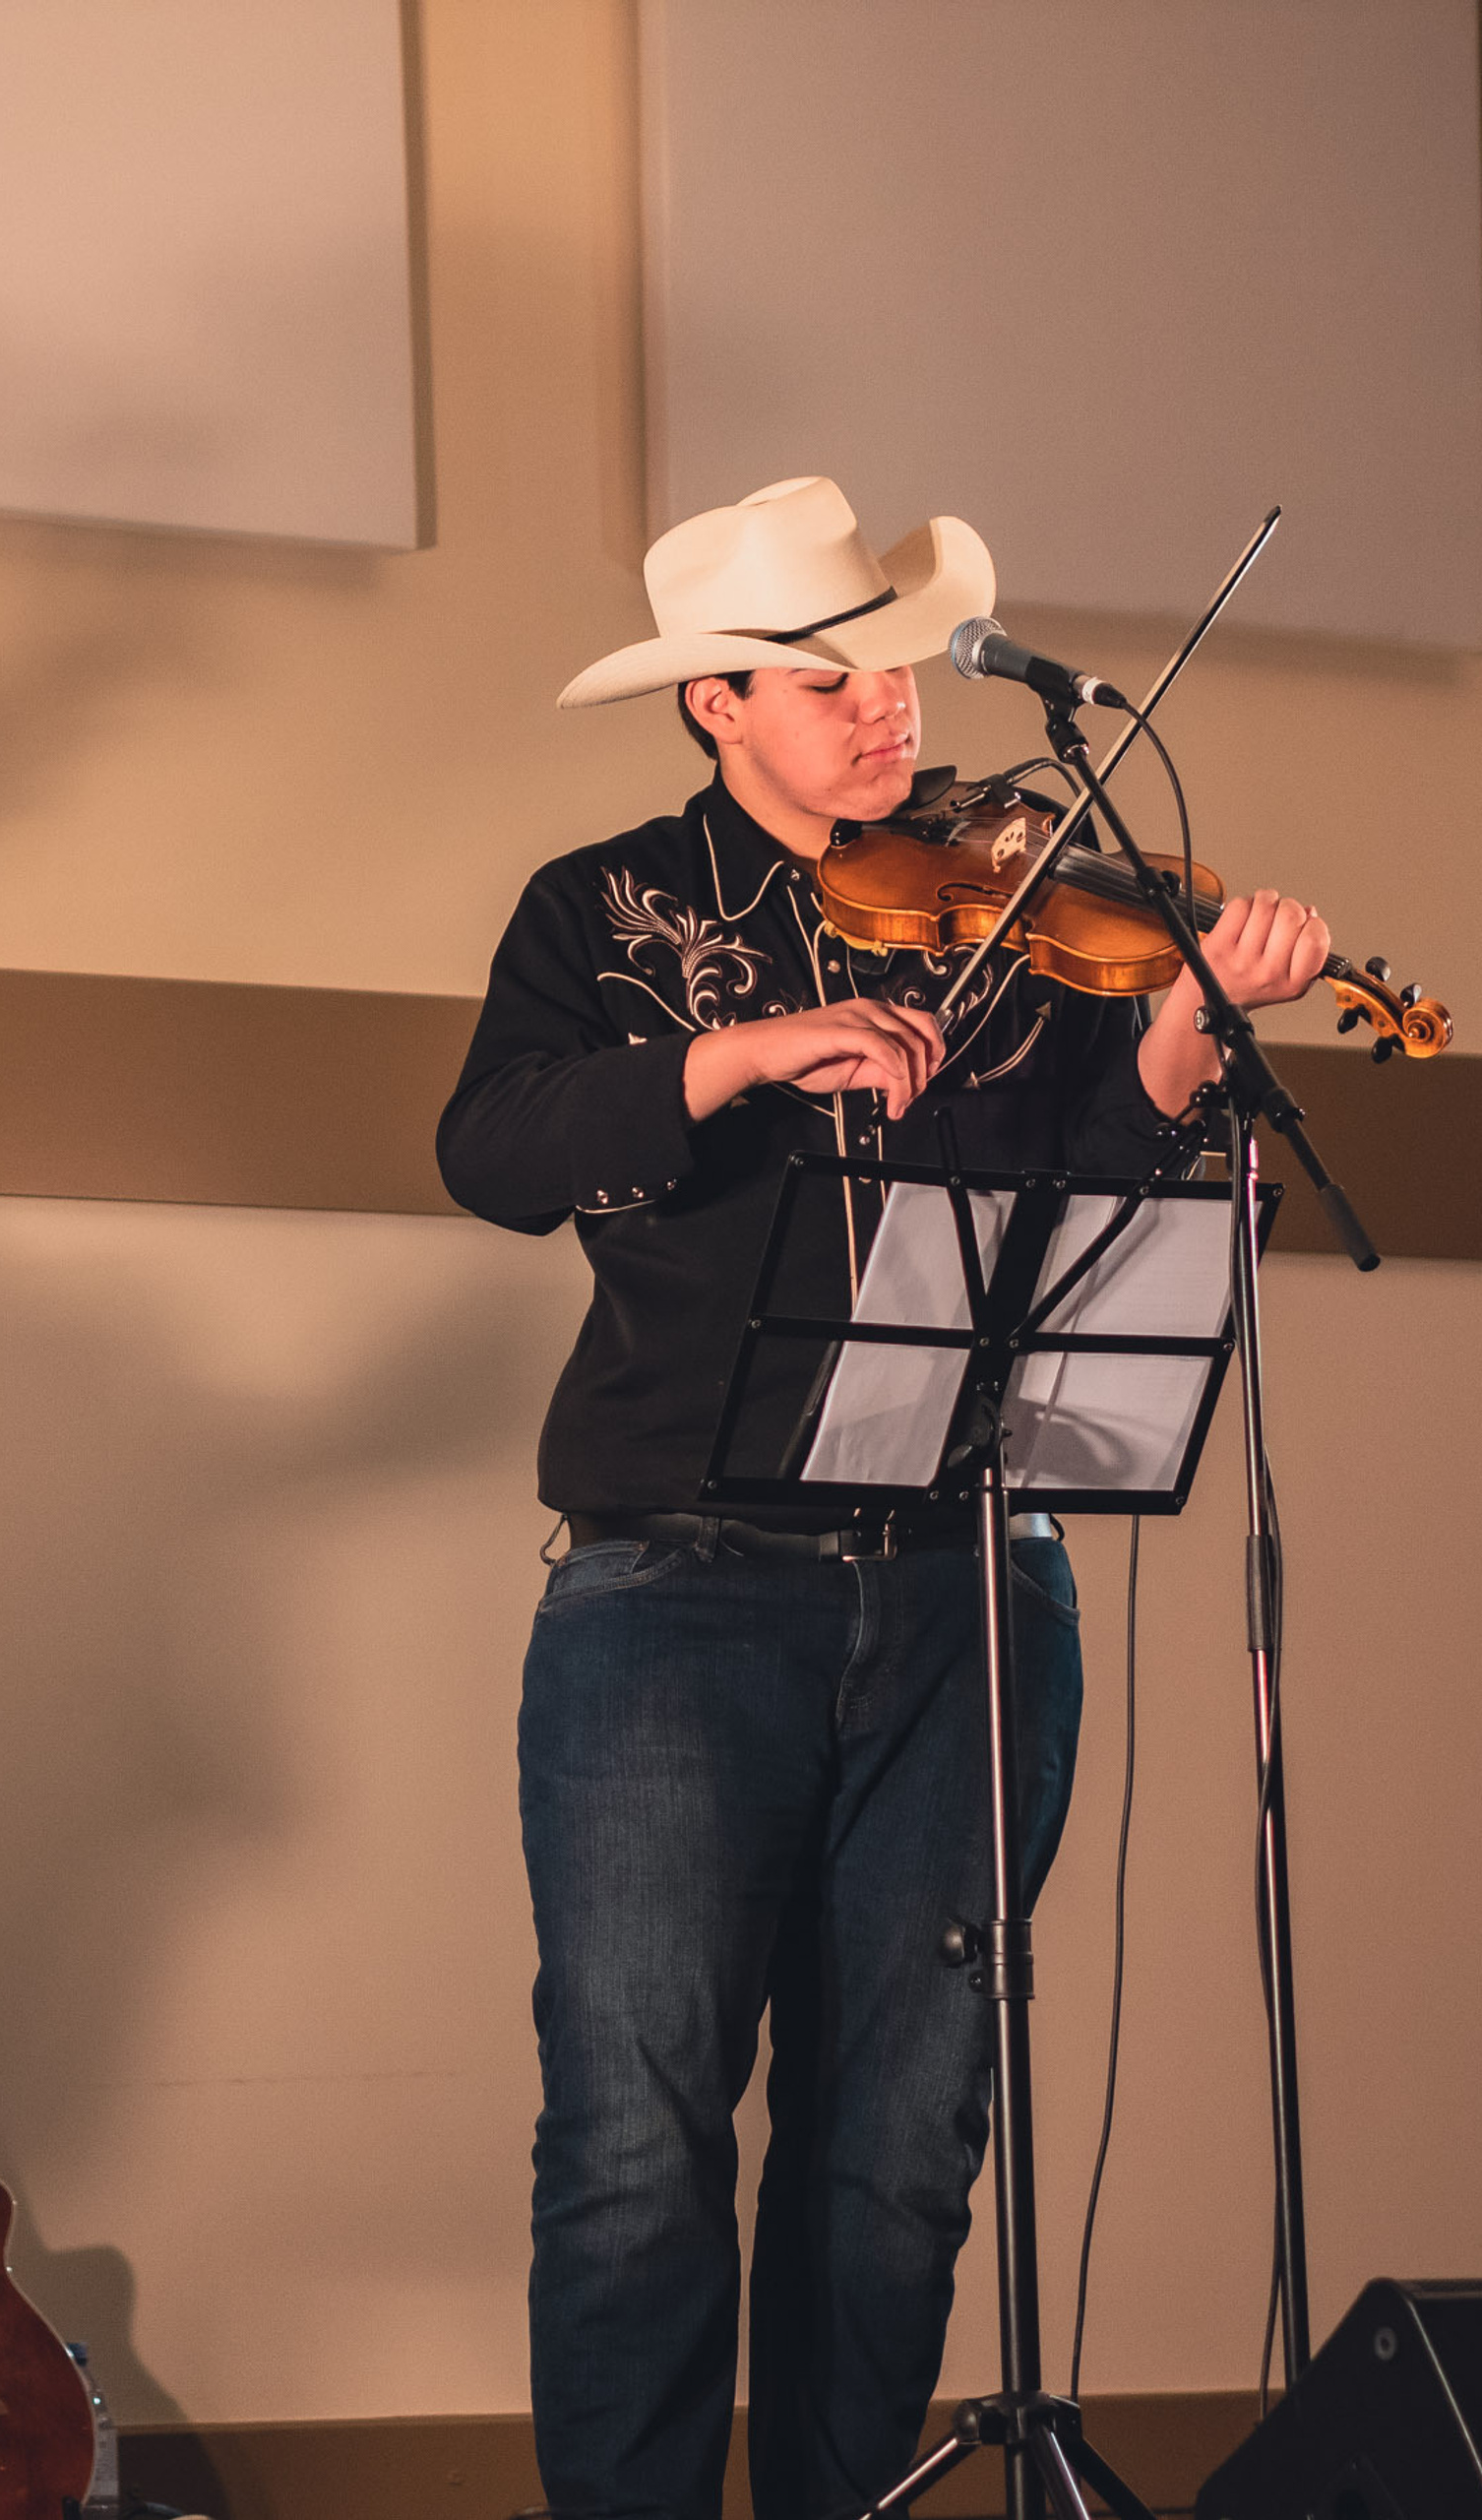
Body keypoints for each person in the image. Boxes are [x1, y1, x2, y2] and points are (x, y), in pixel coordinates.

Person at [436, 476, 1328, 2520]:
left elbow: (1070, 1214)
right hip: (675, 1587)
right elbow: (488, 1144)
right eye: (824, 681)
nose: (884, 712)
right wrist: (734, 1057)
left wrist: (1178, 1044)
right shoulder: (596, 913)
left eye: (899, 669)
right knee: (636, 2140)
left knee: (900, 2134)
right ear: (711, 709)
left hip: (962, 1580)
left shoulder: (1002, 900)